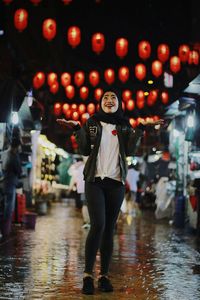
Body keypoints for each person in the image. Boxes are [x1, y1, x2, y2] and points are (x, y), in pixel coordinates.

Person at [57, 90, 164, 295]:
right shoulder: (93, 122)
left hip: (115, 183)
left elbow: (131, 150)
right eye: (105, 97)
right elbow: (84, 149)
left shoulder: (124, 126)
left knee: (109, 229)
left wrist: (141, 128)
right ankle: (88, 275)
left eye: (113, 98)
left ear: (119, 103)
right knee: (98, 224)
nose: (108, 100)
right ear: (100, 102)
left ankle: (103, 275)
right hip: (94, 181)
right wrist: (77, 128)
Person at [1, 138, 22, 240]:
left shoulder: (4, 154)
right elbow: (19, 170)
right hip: (10, 184)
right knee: (9, 208)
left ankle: (3, 230)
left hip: (3, 183)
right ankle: (5, 231)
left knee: (3, 206)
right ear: (16, 147)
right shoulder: (13, 156)